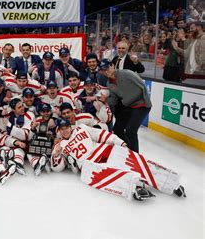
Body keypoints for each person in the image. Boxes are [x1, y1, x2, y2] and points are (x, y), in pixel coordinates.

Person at [51, 119, 186, 201]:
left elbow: (102, 134)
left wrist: (120, 143)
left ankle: (170, 182)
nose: (65, 131)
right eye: (61, 129)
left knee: (135, 162)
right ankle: (134, 188)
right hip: (90, 165)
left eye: (66, 128)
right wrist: (56, 155)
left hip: (105, 152)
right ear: (59, 131)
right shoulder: (60, 146)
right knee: (92, 175)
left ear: (71, 127)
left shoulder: (81, 128)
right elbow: (57, 168)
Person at [98, 59, 151, 152]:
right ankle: (128, 150)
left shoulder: (126, 74)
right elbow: (114, 100)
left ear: (113, 66)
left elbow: (142, 87)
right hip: (129, 107)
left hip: (142, 105)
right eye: (103, 70)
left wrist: (127, 102)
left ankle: (136, 155)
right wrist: (106, 100)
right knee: (117, 129)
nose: (106, 72)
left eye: (107, 68)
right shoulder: (109, 83)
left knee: (130, 130)